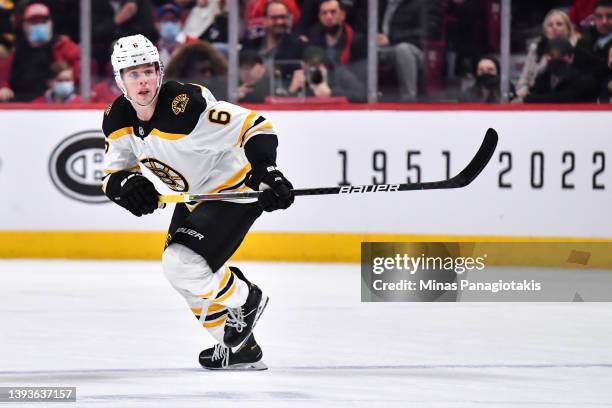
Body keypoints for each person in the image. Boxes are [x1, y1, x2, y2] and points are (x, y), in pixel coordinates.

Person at [102, 34, 294, 370]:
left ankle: (246, 299)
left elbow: (254, 124)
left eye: (149, 70)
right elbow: (112, 172)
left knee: (183, 265)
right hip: (194, 197)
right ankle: (239, 348)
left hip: (233, 190)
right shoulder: (117, 120)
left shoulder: (185, 107)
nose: (143, 80)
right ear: (120, 81)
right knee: (182, 275)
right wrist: (127, 184)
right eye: (133, 74)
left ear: (160, 72)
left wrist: (267, 171)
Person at [0, 2, 80, 102]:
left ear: (51, 23)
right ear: (25, 25)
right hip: (20, 106)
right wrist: (3, 88)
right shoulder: (18, 50)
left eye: (43, 22)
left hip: (52, 103)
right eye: (34, 22)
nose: (39, 25)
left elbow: (81, 75)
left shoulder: (65, 47)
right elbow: (3, 75)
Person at [515, 9, 581, 100]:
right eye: (550, 25)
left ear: (568, 29)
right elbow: (524, 79)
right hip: (535, 95)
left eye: (559, 24)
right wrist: (524, 91)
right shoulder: (536, 48)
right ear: (545, 31)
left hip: (566, 98)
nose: (554, 27)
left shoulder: (577, 48)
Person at [523, 38, 599, 103]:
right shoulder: (543, 77)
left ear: (571, 57)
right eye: (551, 55)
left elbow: (566, 98)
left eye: (562, 55)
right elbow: (530, 98)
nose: (555, 59)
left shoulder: (584, 80)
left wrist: (534, 98)